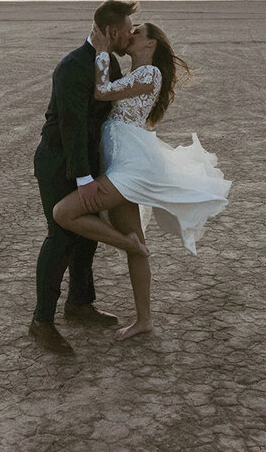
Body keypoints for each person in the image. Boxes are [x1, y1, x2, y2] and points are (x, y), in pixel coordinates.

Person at [52, 21, 231, 341]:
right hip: (120, 162)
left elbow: (101, 91)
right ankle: (144, 320)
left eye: (138, 33)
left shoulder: (150, 74)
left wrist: (103, 52)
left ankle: (126, 244)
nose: (131, 35)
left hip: (130, 168)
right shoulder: (134, 74)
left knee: (64, 213)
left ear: (150, 45)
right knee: (139, 246)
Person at [29, 0, 138, 356]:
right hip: (59, 159)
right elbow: (73, 128)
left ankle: (79, 304)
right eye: (126, 31)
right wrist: (83, 178)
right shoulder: (73, 66)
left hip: (86, 161)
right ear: (111, 31)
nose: (130, 35)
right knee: (61, 234)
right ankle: (41, 322)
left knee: (86, 234)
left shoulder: (110, 63)